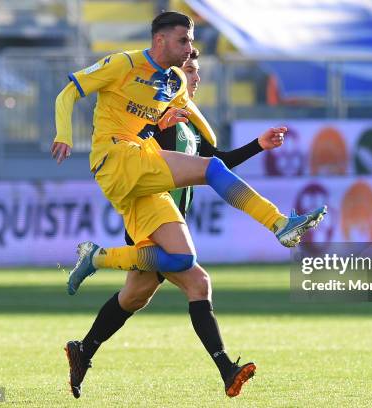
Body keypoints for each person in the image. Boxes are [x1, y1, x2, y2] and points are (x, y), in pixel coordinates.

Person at [52, 11, 326, 398]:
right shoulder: (123, 64)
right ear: (160, 40)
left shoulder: (174, 81)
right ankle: (279, 222)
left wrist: (190, 118)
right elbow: (68, 92)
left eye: (192, 42)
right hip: (116, 159)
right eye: (184, 41)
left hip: (146, 184)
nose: (190, 49)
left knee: (177, 272)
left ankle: (96, 265)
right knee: (209, 179)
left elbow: (206, 135)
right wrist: (64, 134)